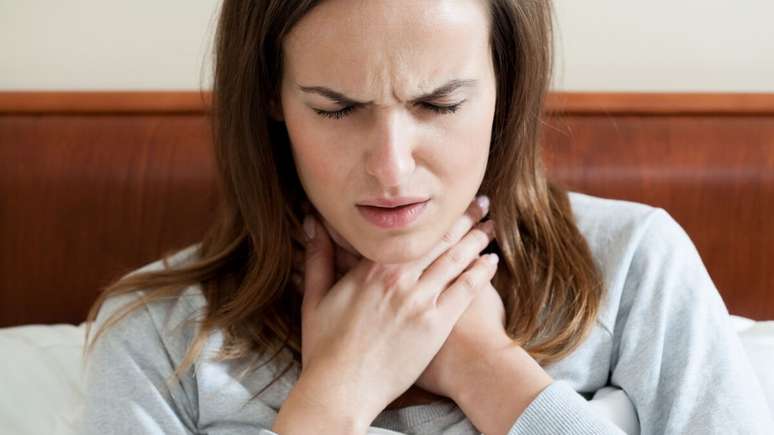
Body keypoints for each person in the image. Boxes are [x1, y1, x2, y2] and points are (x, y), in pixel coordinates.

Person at [79, 0, 773, 434]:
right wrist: (327, 407)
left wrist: (490, 371)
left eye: (439, 105)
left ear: (507, 85)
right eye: (336, 108)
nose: (391, 167)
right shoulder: (157, 341)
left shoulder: (633, 267)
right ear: (271, 98)